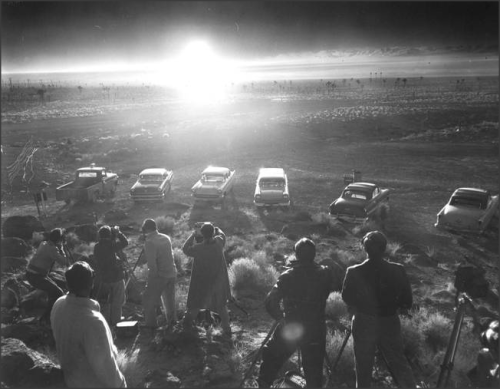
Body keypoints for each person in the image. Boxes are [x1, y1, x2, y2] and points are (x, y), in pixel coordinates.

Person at [258, 237, 340, 388]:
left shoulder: (289, 275)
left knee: (271, 357)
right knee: (314, 369)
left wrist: (280, 318)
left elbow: (270, 301)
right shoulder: (325, 273)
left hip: (291, 325)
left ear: (296, 255)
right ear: (314, 255)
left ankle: (264, 385)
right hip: (315, 327)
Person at [341, 230, 416, 388]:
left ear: (364, 248)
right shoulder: (398, 270)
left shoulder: (354, 271)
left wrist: (358, 306)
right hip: (389, 320)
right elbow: (407, 301)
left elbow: (347, 297)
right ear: (384, 248)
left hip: (363, 320)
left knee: (363, 364)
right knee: (397, 361)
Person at [51, 261, 127, 388]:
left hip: (71, 378)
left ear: (68, 284)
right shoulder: (93, 322)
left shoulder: (59, 304)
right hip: (90, 383)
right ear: (91, 284)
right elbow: (106, 370)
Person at [181, 222, 231, 336]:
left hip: (202, 283)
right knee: (222, 306)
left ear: (202, 234)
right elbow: (223, 235)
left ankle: (186, 327)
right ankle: (227, 329)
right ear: (213, 232)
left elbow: (185, 249)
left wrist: (193, 234)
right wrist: (216, 228)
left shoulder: (198, 248)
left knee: (196, 305)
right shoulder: (219, 242)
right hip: (218, 282)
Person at [25, 228, 69, 325]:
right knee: (58, 292)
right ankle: (46, 318)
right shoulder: (52, 249)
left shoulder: (44, 243)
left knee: (53, 291)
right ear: (59, 239)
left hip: (32, 274)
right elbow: (64, 262)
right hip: (36, 276)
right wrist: (62, 248)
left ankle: (48, 315)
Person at [141, 218, 178, 329]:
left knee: (148, 300)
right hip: (171, 273)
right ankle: (172, 325)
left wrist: (151, 280)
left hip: (160, 275)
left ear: (146, 229)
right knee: (170, 301)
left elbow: (152, 264)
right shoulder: (166, 237)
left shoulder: (150, 242)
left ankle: (151, 327)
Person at [93, 225, 129, 328]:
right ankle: (116, 322)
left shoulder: (97, 246)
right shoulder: (111, 245)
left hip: (104, 278)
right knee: (118, 300)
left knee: (105, 302)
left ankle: (106, 323)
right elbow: (125, 243)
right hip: (116, 277)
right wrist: (118, 233)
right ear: (109, 235)